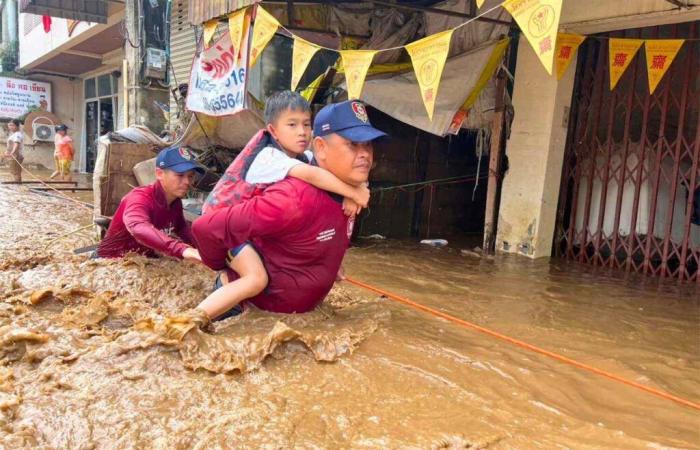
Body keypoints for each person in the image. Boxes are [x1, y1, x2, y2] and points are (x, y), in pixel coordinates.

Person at [191, 100, 386, 323]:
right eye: (353, 144)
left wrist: (330, 265)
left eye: (368, 145)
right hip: (242, 313)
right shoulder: (291, 198)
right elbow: (204, 227)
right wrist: (218, 264)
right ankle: (188, 319)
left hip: (296, 322)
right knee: (254, 279)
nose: (365, 154)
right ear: (320, 147)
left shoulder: (351, 193)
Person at [95, 146, 205, 262]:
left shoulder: (175, 202)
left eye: (190, 176)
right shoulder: (140, 197)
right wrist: (182, 249)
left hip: (145, 261)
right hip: (111, 263)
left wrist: (205, 249)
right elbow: (138, 227)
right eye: (180, 175)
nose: (187, 182)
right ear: (159, 174)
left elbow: (182, 229)